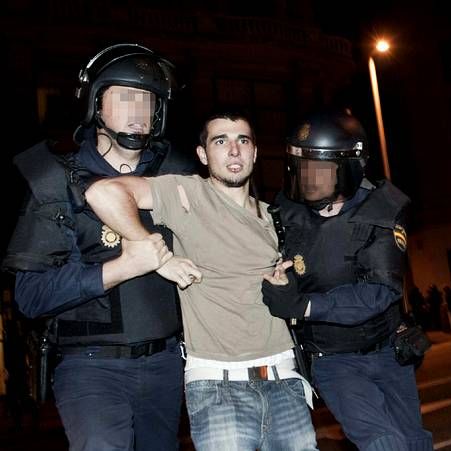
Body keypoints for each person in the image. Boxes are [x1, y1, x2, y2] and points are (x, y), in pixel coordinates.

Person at [84, 114, 318, 450]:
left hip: (284, 378)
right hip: (217, 385)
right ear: (203, 154)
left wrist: (287, 291)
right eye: (221, 141)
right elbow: (103, 193)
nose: (234, 150)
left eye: (243, 141)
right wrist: (158, 256)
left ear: (254, 154)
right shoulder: (187, 193)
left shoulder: (275, 217)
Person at [2, 43, 195, 450]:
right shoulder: (56, 182)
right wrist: (121, 267)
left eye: (148, 100)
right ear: (96, 103)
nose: (138, 111)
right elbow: (30, 296)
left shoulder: (179, 177)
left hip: (166, 365)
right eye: (124, 97)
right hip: (91, 369)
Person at [261, 111, 433, 451]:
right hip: (332, 359)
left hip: (387, 351)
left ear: (350, 168)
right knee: (383, 441)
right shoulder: (283, 215)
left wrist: (306, 305)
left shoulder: (380, 212)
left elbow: (379, 291)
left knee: (414, 441)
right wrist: (278, 285)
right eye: (301, 168)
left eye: (319, 171)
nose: (308, 180)